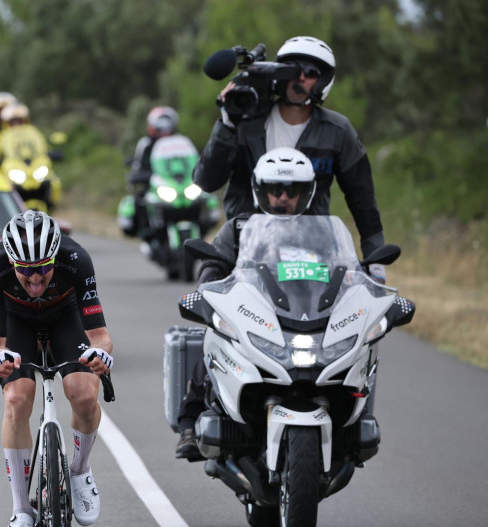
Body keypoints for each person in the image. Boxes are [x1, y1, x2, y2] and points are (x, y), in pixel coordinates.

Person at [193, 36, 386, 281]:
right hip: (244, 248)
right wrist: (227, 124)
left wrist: (376, 260)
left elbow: (363, 201)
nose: (300, 78)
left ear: (324, 80)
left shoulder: (338, 131)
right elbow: (207, 181)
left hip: (312, 252)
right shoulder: (246, 122)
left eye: (310, 72)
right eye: (292, 70)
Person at [0, 210, 114, 527]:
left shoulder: (76, 260)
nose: (36, 277)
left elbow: (99, 334)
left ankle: (80, 469)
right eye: (25, 270)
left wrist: (101, 354)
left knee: (83, 391)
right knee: (16, 398)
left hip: (64, 318)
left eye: (43, 267)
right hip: (17, 324)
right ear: (12, 262)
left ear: (56, 255)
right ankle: (21, 511)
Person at [175, 147, 318, 459]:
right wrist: (208, 290)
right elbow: (213, 266)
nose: (283, 198)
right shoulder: (239, 229)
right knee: (214, 338)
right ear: (259, 191)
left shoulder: (321, 234)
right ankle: (190, 418)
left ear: (308, 193)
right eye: (275, 189)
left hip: (308, 321)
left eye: (292, 191)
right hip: (253, 318)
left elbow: (345, 271)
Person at [124, 106, 179, 238]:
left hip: (177, 185)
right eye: (161, 129)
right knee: (141, 201)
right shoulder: (146, 144)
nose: (164, 132)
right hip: (154, 185)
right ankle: (146, 232)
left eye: (167, 128)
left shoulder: (180, 142)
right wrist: (140, 177)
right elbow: (139, 165)